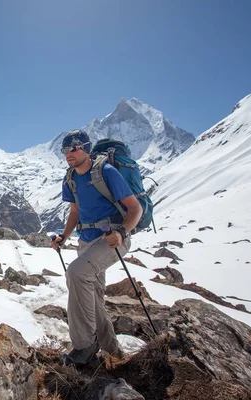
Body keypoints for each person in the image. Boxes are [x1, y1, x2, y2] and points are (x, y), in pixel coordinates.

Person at [51, 130, 142, 368]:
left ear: (86, 148)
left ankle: (84, 346)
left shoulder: (106, 172)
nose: (68, 153)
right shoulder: (70, 177)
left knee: (77, 273)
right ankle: (114, 352)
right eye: (65, 150)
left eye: (74, 148)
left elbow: (135, 209)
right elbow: (75, 212)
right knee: (92, 298)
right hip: (86, 241)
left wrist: (122, 233)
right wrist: (64, 236)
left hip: (112, 239)